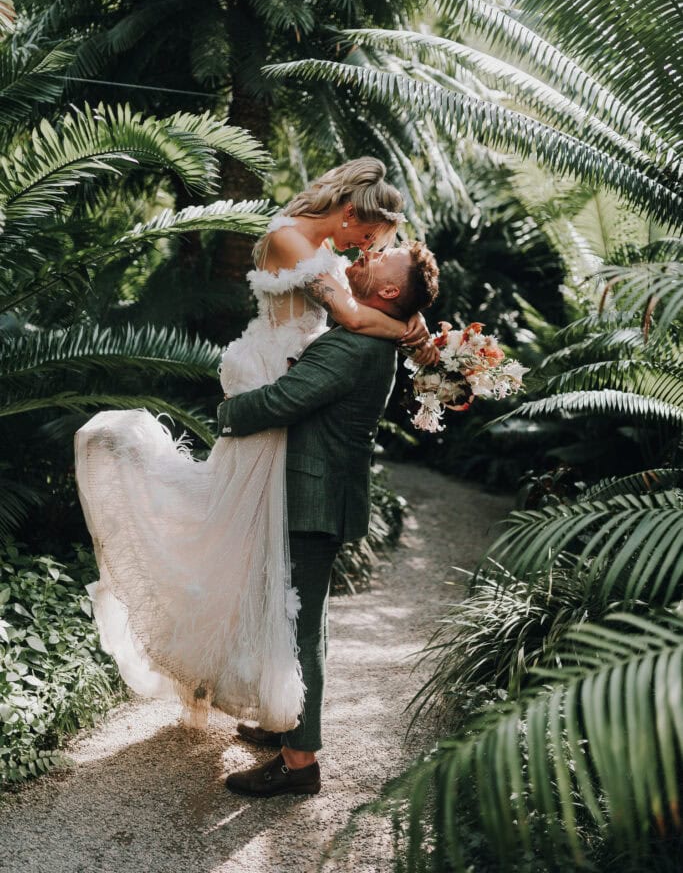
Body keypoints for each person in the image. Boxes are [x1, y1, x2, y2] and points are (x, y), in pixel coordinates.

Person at [74, 157, 438, 733]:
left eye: (373, 246)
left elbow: (349, 318)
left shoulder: (326, 264)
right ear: (348, 215)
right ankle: (286, 724)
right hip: (275, 375)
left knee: (285, 596)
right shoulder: (296, 242)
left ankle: (293, 737)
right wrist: (410, 333)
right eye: (367, 236)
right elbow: (348, 314)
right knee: (261, 570)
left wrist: (412, 331)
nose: (363, 250)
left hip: (288, 386)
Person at [220, 241, 440, 797]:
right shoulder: (368, 336)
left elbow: (279, 403)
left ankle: (299, 764)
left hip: (312, 501)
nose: (363, 257)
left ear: (389, 292)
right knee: (299, 619)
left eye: (378, 259)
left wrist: (226, 410)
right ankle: (287, 722)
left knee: (298, 629)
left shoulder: (353, 350)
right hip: (322, 496)